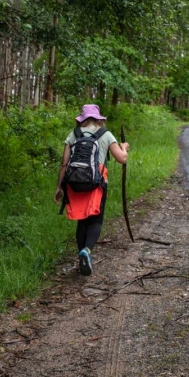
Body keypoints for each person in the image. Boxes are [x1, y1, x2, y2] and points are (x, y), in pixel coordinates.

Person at [54, 104, 129, 276]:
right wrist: (124, 147)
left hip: (74, 183)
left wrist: (59, 187)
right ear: (99, 119)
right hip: (96, 183)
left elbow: (64, 164)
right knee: (95, 220)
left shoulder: (74, 134)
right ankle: (86, 251)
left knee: (82, 220)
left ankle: (82, 259)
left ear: (82, 119)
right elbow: (122, 159)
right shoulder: (105, 134)